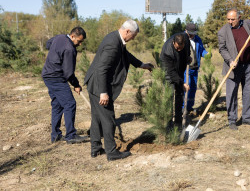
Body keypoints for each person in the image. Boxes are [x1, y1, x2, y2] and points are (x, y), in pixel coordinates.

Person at [84, 20, 154, 161]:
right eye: (133, 35)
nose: (133, 38)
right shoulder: (113, 44)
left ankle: (96, 148)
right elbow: (102, 69)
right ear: (127, 31)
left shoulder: (115, 38)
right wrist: (103, 92)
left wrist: (142, 65)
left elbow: (126, 55)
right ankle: (111, 152)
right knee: (109, 119)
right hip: (99, 85)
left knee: (97, 117)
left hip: (93, 82)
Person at [217, 9, 250, 130]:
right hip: (233, 67)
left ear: (239, 17)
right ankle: (232, 120)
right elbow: (222, 49)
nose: (230, 21)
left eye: (233, 19)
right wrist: (230, 60)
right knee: (231, 93)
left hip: (248, 65)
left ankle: (246, 118)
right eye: (228, 19)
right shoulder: (223, 31)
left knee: (247, 91)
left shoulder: (248, 24)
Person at [42, 27, 89, 144]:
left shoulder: (60, 37)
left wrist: (55, 52)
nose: (79, 44)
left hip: (47, 75)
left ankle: (56, 135)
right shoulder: (69, 49)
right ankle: (71, 136)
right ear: (72, 36)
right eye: (78, 41)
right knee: (70, 104)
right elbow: (68, 73)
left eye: (81, 42)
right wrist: (76, 85)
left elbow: (48, 44)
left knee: (57, 105)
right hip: (56, 78)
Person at [160, 32, 190, 128]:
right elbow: (171, 72)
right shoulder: (167, 52)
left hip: (180, 69)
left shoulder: (185, 38)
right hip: (169, 72)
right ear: (174, 43)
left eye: (181, 48)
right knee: (169, 96)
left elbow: (187, 48)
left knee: (180, 95)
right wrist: (182, 83)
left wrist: (187, 56)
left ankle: (178, 122)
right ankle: (169, 124)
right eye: (177, 48)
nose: (178, 50)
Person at [183, 23, 208, 114]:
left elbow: (202, 50)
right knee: (187, 88)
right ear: (186, 31)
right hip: (186, 69)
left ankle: (189, 107)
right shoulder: (183, 39)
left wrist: (207, 54)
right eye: (190, 33)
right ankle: (183, 108)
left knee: (193, 89)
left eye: (193, 33)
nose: (192, 35)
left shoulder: (198, 39)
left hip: (195, 68)